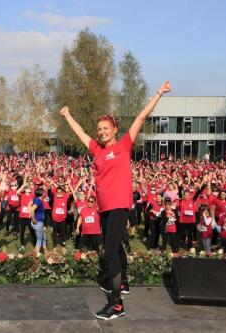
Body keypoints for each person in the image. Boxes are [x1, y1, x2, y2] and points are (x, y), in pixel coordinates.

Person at [60, 80, 171, 320]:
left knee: (109, 251)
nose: (101, 132)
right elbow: (80, 133)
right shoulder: (97, 151)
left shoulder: (124, 145)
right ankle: (124, 283)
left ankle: (117, 304)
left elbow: (141, 117)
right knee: (116, 247)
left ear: (114, 129)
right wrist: (67, 115)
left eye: (105, 128)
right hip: (104, 207)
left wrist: (158, 93)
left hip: (120, 204)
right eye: (99, 129)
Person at [29, 187, 46, 254]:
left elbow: (29, 205)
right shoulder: (38, 200)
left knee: (43, 236)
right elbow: (32, 209)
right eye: (44, 192)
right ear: (41, 193)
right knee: (39, 239)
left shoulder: (35, 199)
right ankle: (37, 253)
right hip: (37, 222)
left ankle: (44, 250)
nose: (45, 193)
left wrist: (30, 214)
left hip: (39, 222)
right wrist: (33, 219)